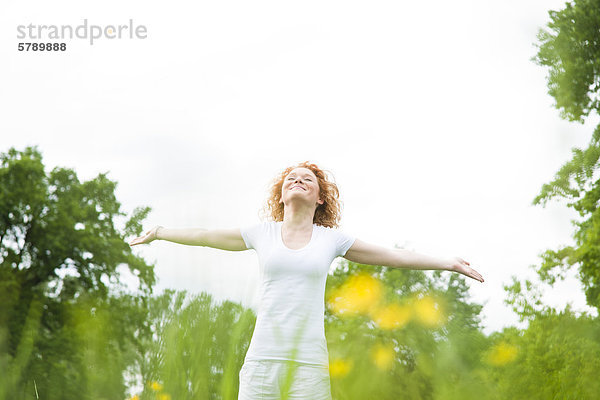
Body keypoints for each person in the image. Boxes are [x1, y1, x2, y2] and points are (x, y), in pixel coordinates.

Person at [128, 161, 485, 400]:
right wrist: (159, 232)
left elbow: (394, 256)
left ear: (319, 198)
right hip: (261, 362)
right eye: (290, 179)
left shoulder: (331, 239)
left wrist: (447, 262)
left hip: (309, 366)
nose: (297, 180)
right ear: (282, 196)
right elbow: (205, 235)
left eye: (307, 179)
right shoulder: (261, 233)